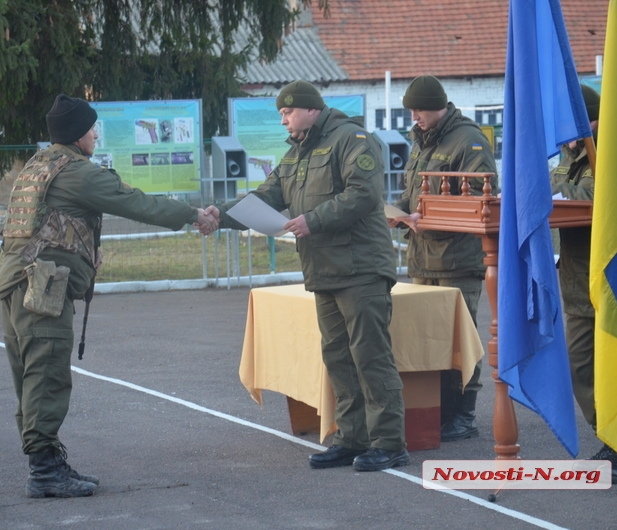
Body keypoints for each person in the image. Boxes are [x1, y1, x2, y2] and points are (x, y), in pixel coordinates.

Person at [0, 93, 217, 498]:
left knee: (31, 378)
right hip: (41, 287)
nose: (96, 135)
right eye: (92, 128)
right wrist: (192, 215)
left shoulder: (39, 165)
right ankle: (45, 472)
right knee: (46, 376)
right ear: (79, 133)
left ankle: (46, 461)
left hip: (16, 283)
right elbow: (134, 201)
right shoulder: (78, 172)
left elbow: (47, 224)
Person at [206, 80, 409, 472]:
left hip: (361, 269)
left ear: (310, 109)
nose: (283, 121)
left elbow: (364, 193)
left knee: (370, 356)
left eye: (287, 113)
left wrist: (311, 221)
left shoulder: (352, 138)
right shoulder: (296, 153)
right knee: (338, 357)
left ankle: (389, 441)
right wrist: (218, 214)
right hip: (324, 270)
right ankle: (352, 438)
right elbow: (265, 197)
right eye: (281, 115)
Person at [388, 75, 498, 442]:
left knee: (459, 339)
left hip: (457, 260)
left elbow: (482, 198)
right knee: (430, 340)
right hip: (423, 257)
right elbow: (413, 194)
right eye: (411, 110)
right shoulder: (422, 141)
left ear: (439, 106)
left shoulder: (468, 140)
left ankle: (463, 415)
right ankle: (436, 412)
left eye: (419, 109)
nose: (414, 116)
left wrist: (427, 217)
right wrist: (396, 212)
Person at [550, 84, 617, 484]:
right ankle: (609, 435)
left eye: (579, 126)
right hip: (576, 277)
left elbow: (604, 198)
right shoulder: (568, 152)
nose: (572, 136)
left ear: (595, 120)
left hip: (613, 279)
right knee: (581, 366)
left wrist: (553, 192)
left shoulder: (613, 149)